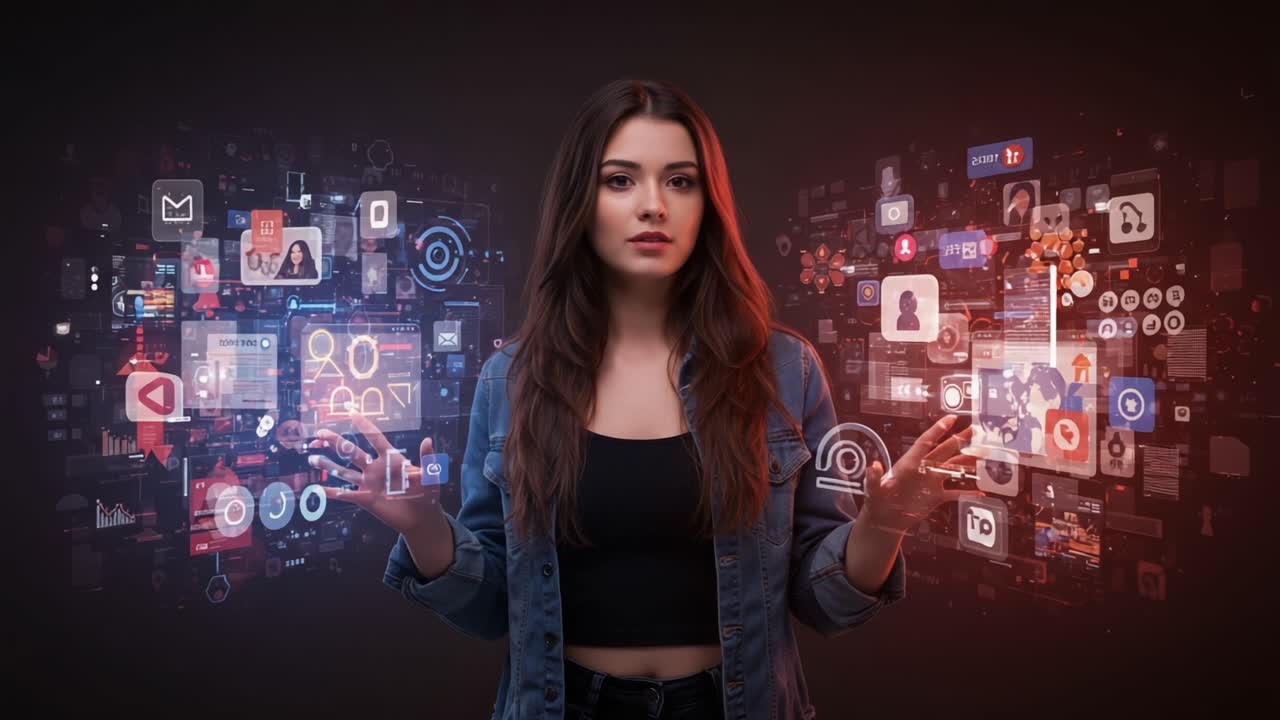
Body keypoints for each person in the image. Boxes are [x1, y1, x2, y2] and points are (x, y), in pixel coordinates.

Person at [308, 78, 976, 720]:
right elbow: (490, 611)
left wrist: (882, 524)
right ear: (581, 200)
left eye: (679, 181)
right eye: (620, 179)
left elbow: (820, 601)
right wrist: (423, 526)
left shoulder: (783, 368)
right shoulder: (510, 380)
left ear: (706, 203)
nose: (652, 204)